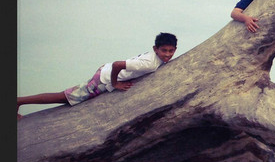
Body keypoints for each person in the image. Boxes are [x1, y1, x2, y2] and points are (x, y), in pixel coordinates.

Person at [17, 32, 179, 118]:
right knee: (64, 97)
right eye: (164, 50)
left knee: (66, 97)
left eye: (171, 51)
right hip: (104, 79)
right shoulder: (150, 63)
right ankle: (19, 101)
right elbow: (118, 64)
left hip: (105, 71)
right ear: (155, 49)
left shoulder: (155, 58)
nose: (167, 54)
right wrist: (115, 84)